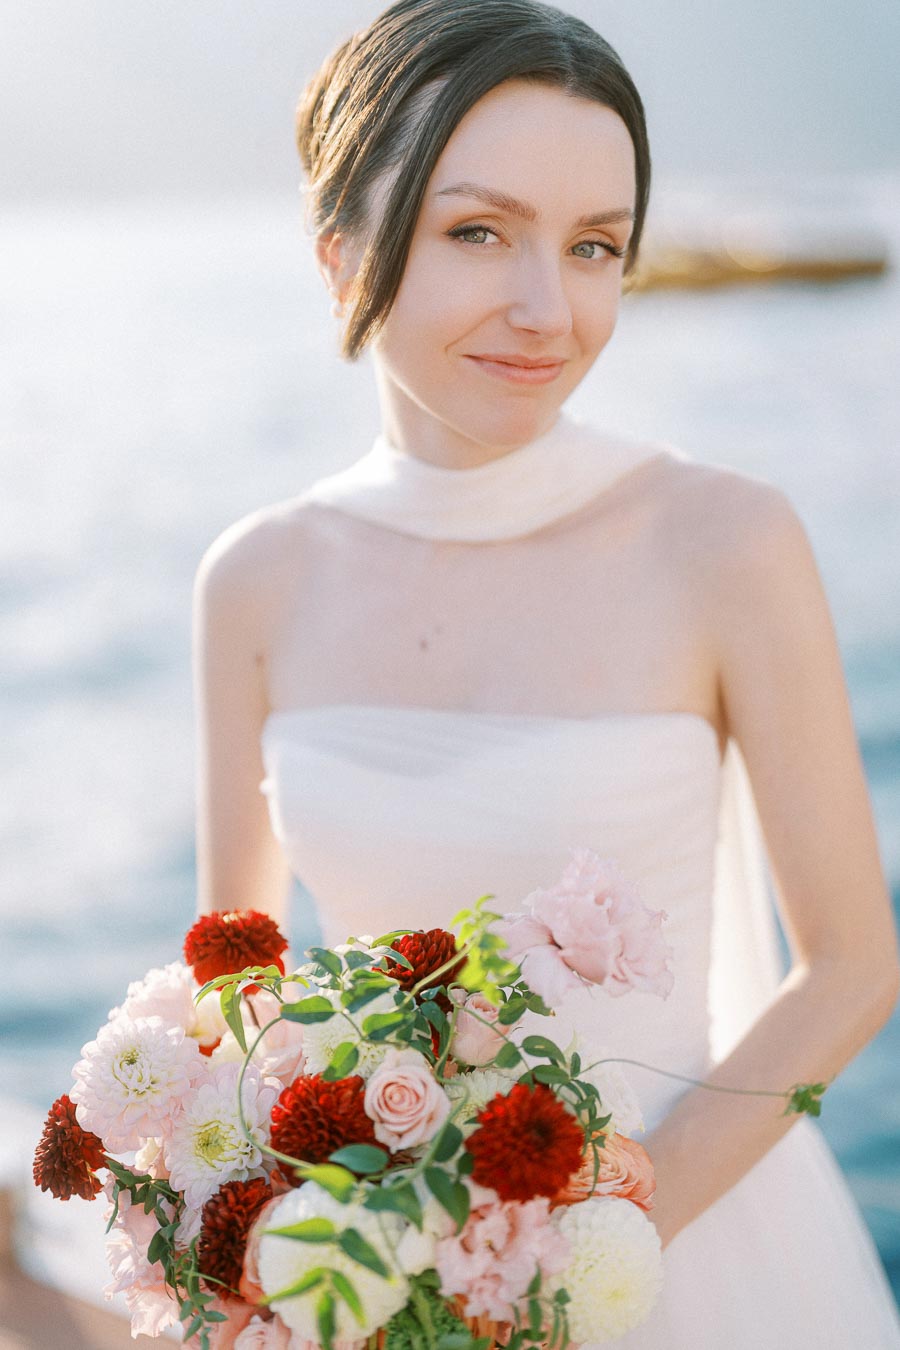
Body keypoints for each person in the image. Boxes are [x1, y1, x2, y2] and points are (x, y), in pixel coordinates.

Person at [192, 1, 900, 1344]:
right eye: (478, 231)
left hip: (681, 1246)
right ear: (341, 247)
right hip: (384, 1264)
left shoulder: (724, 538)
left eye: (594, 248)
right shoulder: (256, 579)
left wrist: (600, 1239)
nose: (546, 309)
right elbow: (242, 989)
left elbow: (855, 961)